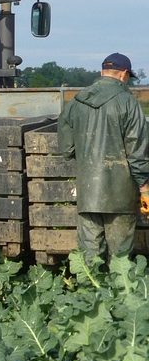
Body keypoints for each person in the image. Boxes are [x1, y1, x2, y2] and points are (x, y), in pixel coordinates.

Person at [57, 53, 149, 261]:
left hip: (88, 192)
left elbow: (67, 149)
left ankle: (90, 292)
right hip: (120, 194)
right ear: (124, 74)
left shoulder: (76, 102)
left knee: (89, 259)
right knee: (120, 261)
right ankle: (118, 293)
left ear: (102, 72)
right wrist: (145, 189)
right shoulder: (128, 102)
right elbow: (137, 151)